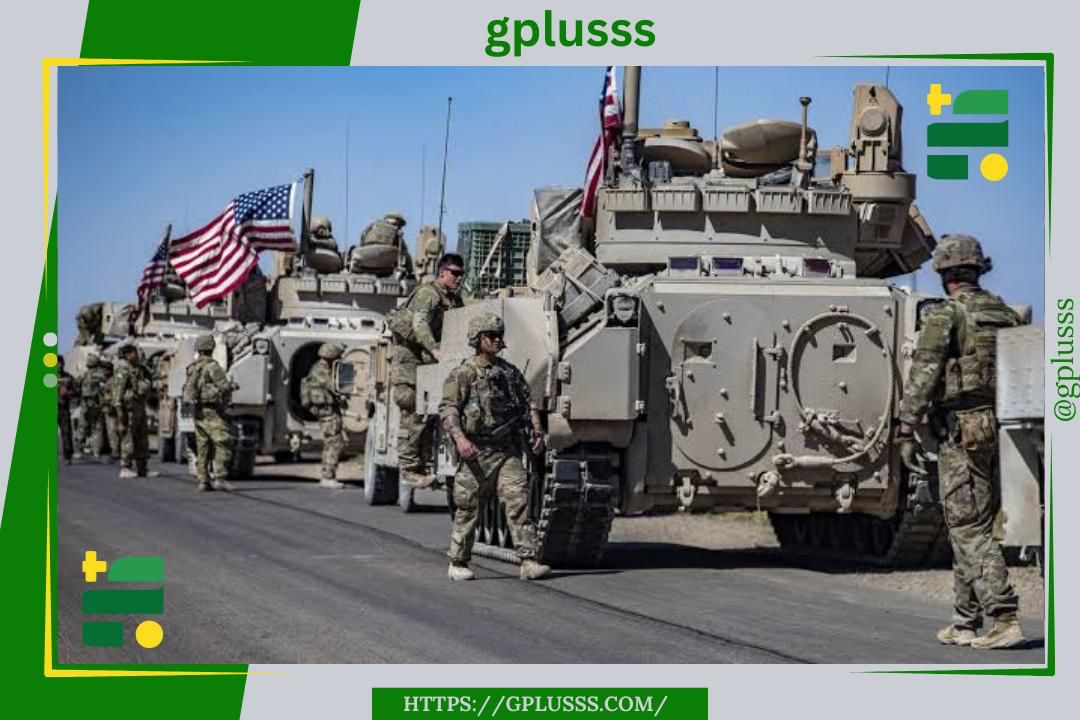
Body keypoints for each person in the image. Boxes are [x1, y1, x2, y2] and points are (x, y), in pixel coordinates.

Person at [897, 234, 1024, 650]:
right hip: (1002, 427)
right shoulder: (1005, 313)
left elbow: (924, 373)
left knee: (967, 526)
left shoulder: (947, 314)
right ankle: (964, 621)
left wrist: (906, 428)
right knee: (972, 524)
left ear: (944, 273)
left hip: (963, 430)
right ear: (977, 269)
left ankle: (1003, 616)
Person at [439, 312, 550, 582]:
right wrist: (460, 439)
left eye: (500, 335)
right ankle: (458, 561)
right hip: (476, 451)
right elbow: (449, 410)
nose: (497, 340)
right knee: (468, 507)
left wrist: (536, 431)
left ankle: (528, 560)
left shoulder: (509, 373)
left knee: (518, 501)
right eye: (491, 336)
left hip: (507, 450)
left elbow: (529, 403)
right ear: (478, 339)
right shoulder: (463, 374)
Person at [389, 253, 465, 489]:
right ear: (442, 272)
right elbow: (419, 324)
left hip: (429, 366)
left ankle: (422, 467)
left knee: (430, 415)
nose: (459, 278)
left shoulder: (453, 299)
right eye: (454, 273)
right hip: (411, 365)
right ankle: (409, 469)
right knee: (414, 412)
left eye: (461, 274)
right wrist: (435, 349)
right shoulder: (428, 294)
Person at [183, 334, 235, 492]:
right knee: (223, 442)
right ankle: (220, 478)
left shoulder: (192, 367)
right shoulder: (213, 367)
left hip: (198, 411)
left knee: (203, 446)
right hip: (212, 411)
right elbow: (223, 386)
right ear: (211, 348)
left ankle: (203, 480)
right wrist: (233, 385)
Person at [301, 343, 347, 489]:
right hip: (326, 412)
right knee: (334, 442)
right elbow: (334, 386)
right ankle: (328, 476)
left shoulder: (321, 368)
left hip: (328, 411)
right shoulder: (320, 371)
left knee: (331, 442)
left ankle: (327, 475)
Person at [113, 343, 156, 479]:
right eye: (131, 353)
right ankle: (126, 467)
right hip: (128, 409)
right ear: (126, 355)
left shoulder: (139, 369)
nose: (134, 355)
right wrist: (120, 415)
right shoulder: (123, 370)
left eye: (134, 352)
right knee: (128, 438)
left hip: (139, 407)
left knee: (142, 437)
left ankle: (142, 467)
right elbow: (117, 394)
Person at [78, 355, 108, 459]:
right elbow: (106, 386)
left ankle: (78, 450)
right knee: (97, 428)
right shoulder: (100, 375)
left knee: (82, 427)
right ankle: (96, 451)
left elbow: (77, 386)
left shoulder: (83, 374)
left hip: (85, 403)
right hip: (97, 404)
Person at [57, 355, 77, 465]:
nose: (59, 366)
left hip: (64, 409)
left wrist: (68, 393)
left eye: (61, 363)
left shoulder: (69, 377)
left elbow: (77, 391)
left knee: (66, 433)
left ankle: (67, 456)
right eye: (57, 364)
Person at [101, 362, 120, 463]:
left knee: (112, 431)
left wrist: (110, 405)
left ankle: (115, 452)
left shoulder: (111, 381)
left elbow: (112, 396)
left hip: (111, 409)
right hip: (110, 408)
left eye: (105, 370)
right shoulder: (109, 381)